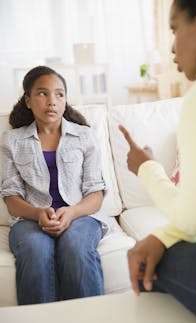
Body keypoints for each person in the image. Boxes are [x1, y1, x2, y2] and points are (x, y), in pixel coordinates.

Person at [119, 0, 196, 322]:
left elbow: (193, 220)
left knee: (150, 259)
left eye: (174, 29)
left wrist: (146, 167)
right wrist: (163, 235)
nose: (172, 48)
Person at [0, 65, 110, 305]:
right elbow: (11, 198)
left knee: (76, 247)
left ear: (65, 100)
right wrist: (38, 213)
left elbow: (96, 192)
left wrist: (71, 213)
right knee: (35, 250)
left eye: (59, 94)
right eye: (42, 93)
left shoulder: (84, 136)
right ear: (28, 100)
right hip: (30, 220)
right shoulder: (12, 140)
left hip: (81, 216)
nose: (52, 101)